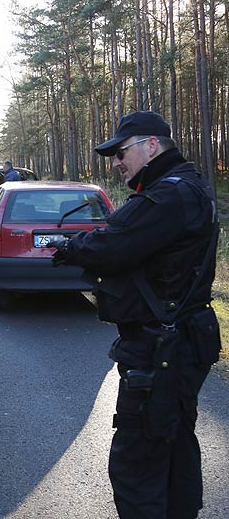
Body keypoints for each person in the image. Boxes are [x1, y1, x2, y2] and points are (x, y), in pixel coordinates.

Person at [47, 111, 221, 519]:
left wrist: (71, 248)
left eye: (121, 152)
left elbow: (111, 242)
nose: (116, 163)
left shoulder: (167, 195)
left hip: (162, 348)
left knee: (137, 459)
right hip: (180, 340)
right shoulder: (184, 187)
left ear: (152, 145)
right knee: (172, 441)